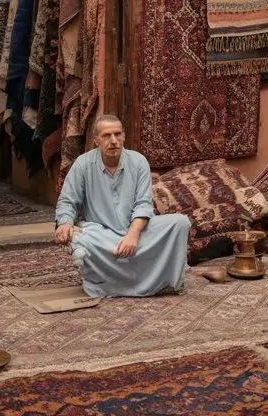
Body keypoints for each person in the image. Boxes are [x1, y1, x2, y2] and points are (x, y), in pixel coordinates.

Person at [55, 115, 190, 297]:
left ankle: (156, 279)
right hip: (102, 234)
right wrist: (65, 223)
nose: (113, 141)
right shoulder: (83, 164)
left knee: (180, 223)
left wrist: (132, 236)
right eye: (106, 135)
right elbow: (68, 200)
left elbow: (143, 204)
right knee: (81, 236)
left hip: (137, 231)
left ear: (124, 136)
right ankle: (115, 279)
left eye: (117, 134)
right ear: (96, 140)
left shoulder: (138, 162)